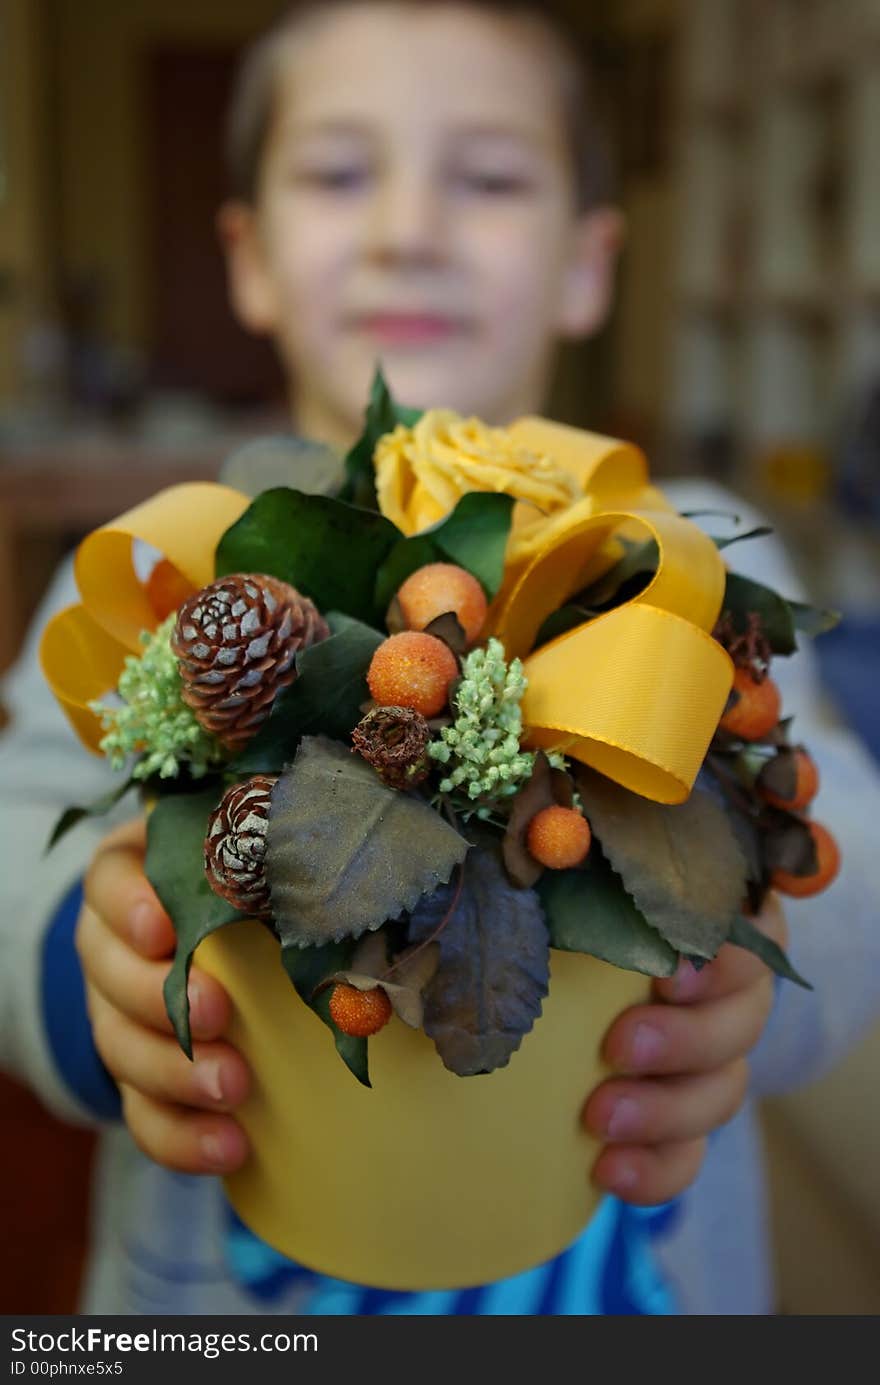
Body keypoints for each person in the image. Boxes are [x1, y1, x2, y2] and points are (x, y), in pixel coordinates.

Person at [1, 0, 878, 1316]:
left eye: (490, 177)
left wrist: (746, 964)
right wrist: (91, 967)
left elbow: (847, 848)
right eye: (340, 172)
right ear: (246, 255)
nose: (409, 231)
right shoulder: (150, 580)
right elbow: (17, 826)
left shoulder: (688, 557)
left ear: (591, 262)